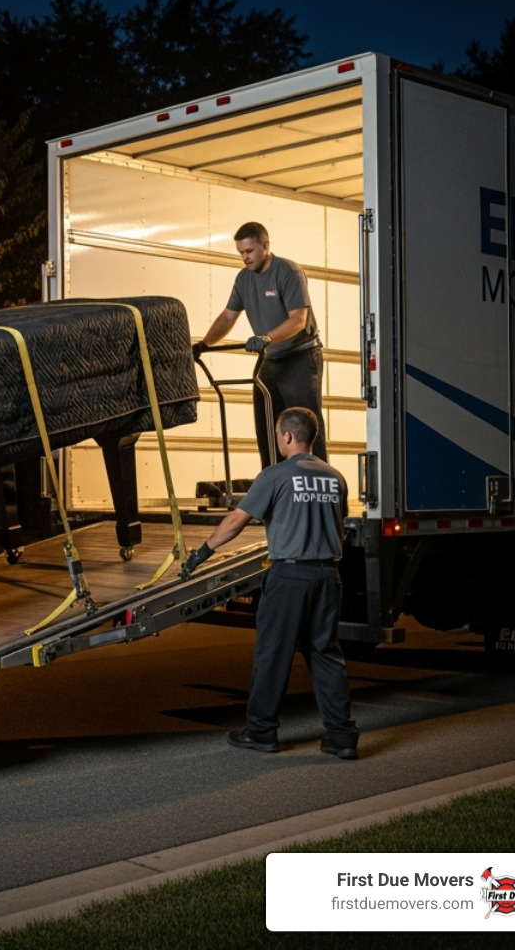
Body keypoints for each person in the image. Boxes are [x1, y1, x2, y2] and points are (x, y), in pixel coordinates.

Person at [180, 407, 359, 760]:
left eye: (278, 435)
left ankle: (261, 732)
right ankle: (343, 737)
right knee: (325, 654)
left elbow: (236, 521)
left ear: (287, 436)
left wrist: (202, 552)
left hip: (289, 576)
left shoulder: (276, 475)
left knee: (273, 654)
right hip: (327, 575)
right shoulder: (335, 478)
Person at [194, 222, 327, 467]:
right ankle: (274, 484)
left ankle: (316, 480)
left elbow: (298, 320)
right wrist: (204, 343)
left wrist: (266, 337)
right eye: (241, 253)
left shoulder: (288, 272)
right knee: (267, 425)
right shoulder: (243, 279)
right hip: (270, 360)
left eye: (249, 251)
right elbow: (228, 317)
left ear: (265, 246)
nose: (244, 258)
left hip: (300, 357)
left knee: (304, 425)